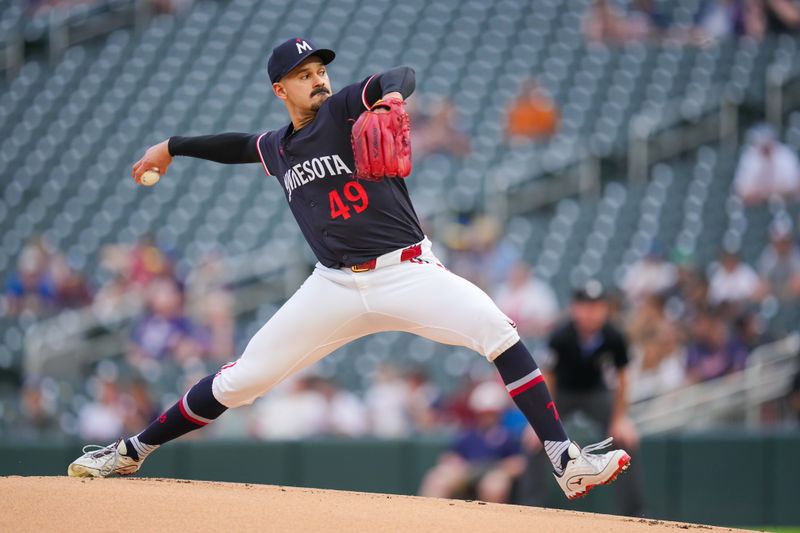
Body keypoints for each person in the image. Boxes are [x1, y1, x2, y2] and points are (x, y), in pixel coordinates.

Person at [67, 37, 630, 500]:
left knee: (500, 334)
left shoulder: (342, 110)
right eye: (304, 73)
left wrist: (387, 101)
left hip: (408, 271)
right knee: (243, 380)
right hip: (333, 285)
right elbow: (237, 145)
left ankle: (565, 460)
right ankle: (130, 451)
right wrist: (173, 145)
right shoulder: (277, 147)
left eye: (320, 70)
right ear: (279, 88)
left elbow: (400, 72)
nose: (318, 79)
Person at [519, 281, 644, 515]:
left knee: (626, 439)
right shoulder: (561, 335)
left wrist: (621, 418)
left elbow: (623, 378)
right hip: (561, 394)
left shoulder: (613, 336)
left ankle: (634, 516)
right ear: (574, 308)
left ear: (606, 309)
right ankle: (531, 510)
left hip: (596, 392)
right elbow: (549, 377)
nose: (590, 312)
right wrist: (539, 422)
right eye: (585, 306)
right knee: (536, 440)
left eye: (596, 306)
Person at [419, 381, 525, 503]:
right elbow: (449, 456)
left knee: (494, 485)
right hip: (467, 473)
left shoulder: (508, 436)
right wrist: (457, 465)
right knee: (437, 478)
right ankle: (428, 516)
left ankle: (491, 520)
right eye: (483, 413)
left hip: (493, 473)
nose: (486, 417)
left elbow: (520, 463)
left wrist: (498, 468)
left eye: (490, 413)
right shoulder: (470, 434)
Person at [733, 125, 800, 205]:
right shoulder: (749, 157)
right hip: (757, 207)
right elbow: (741, 190)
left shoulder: (785, 154)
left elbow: (796, 186)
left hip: (787, 204)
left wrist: (774, 191)